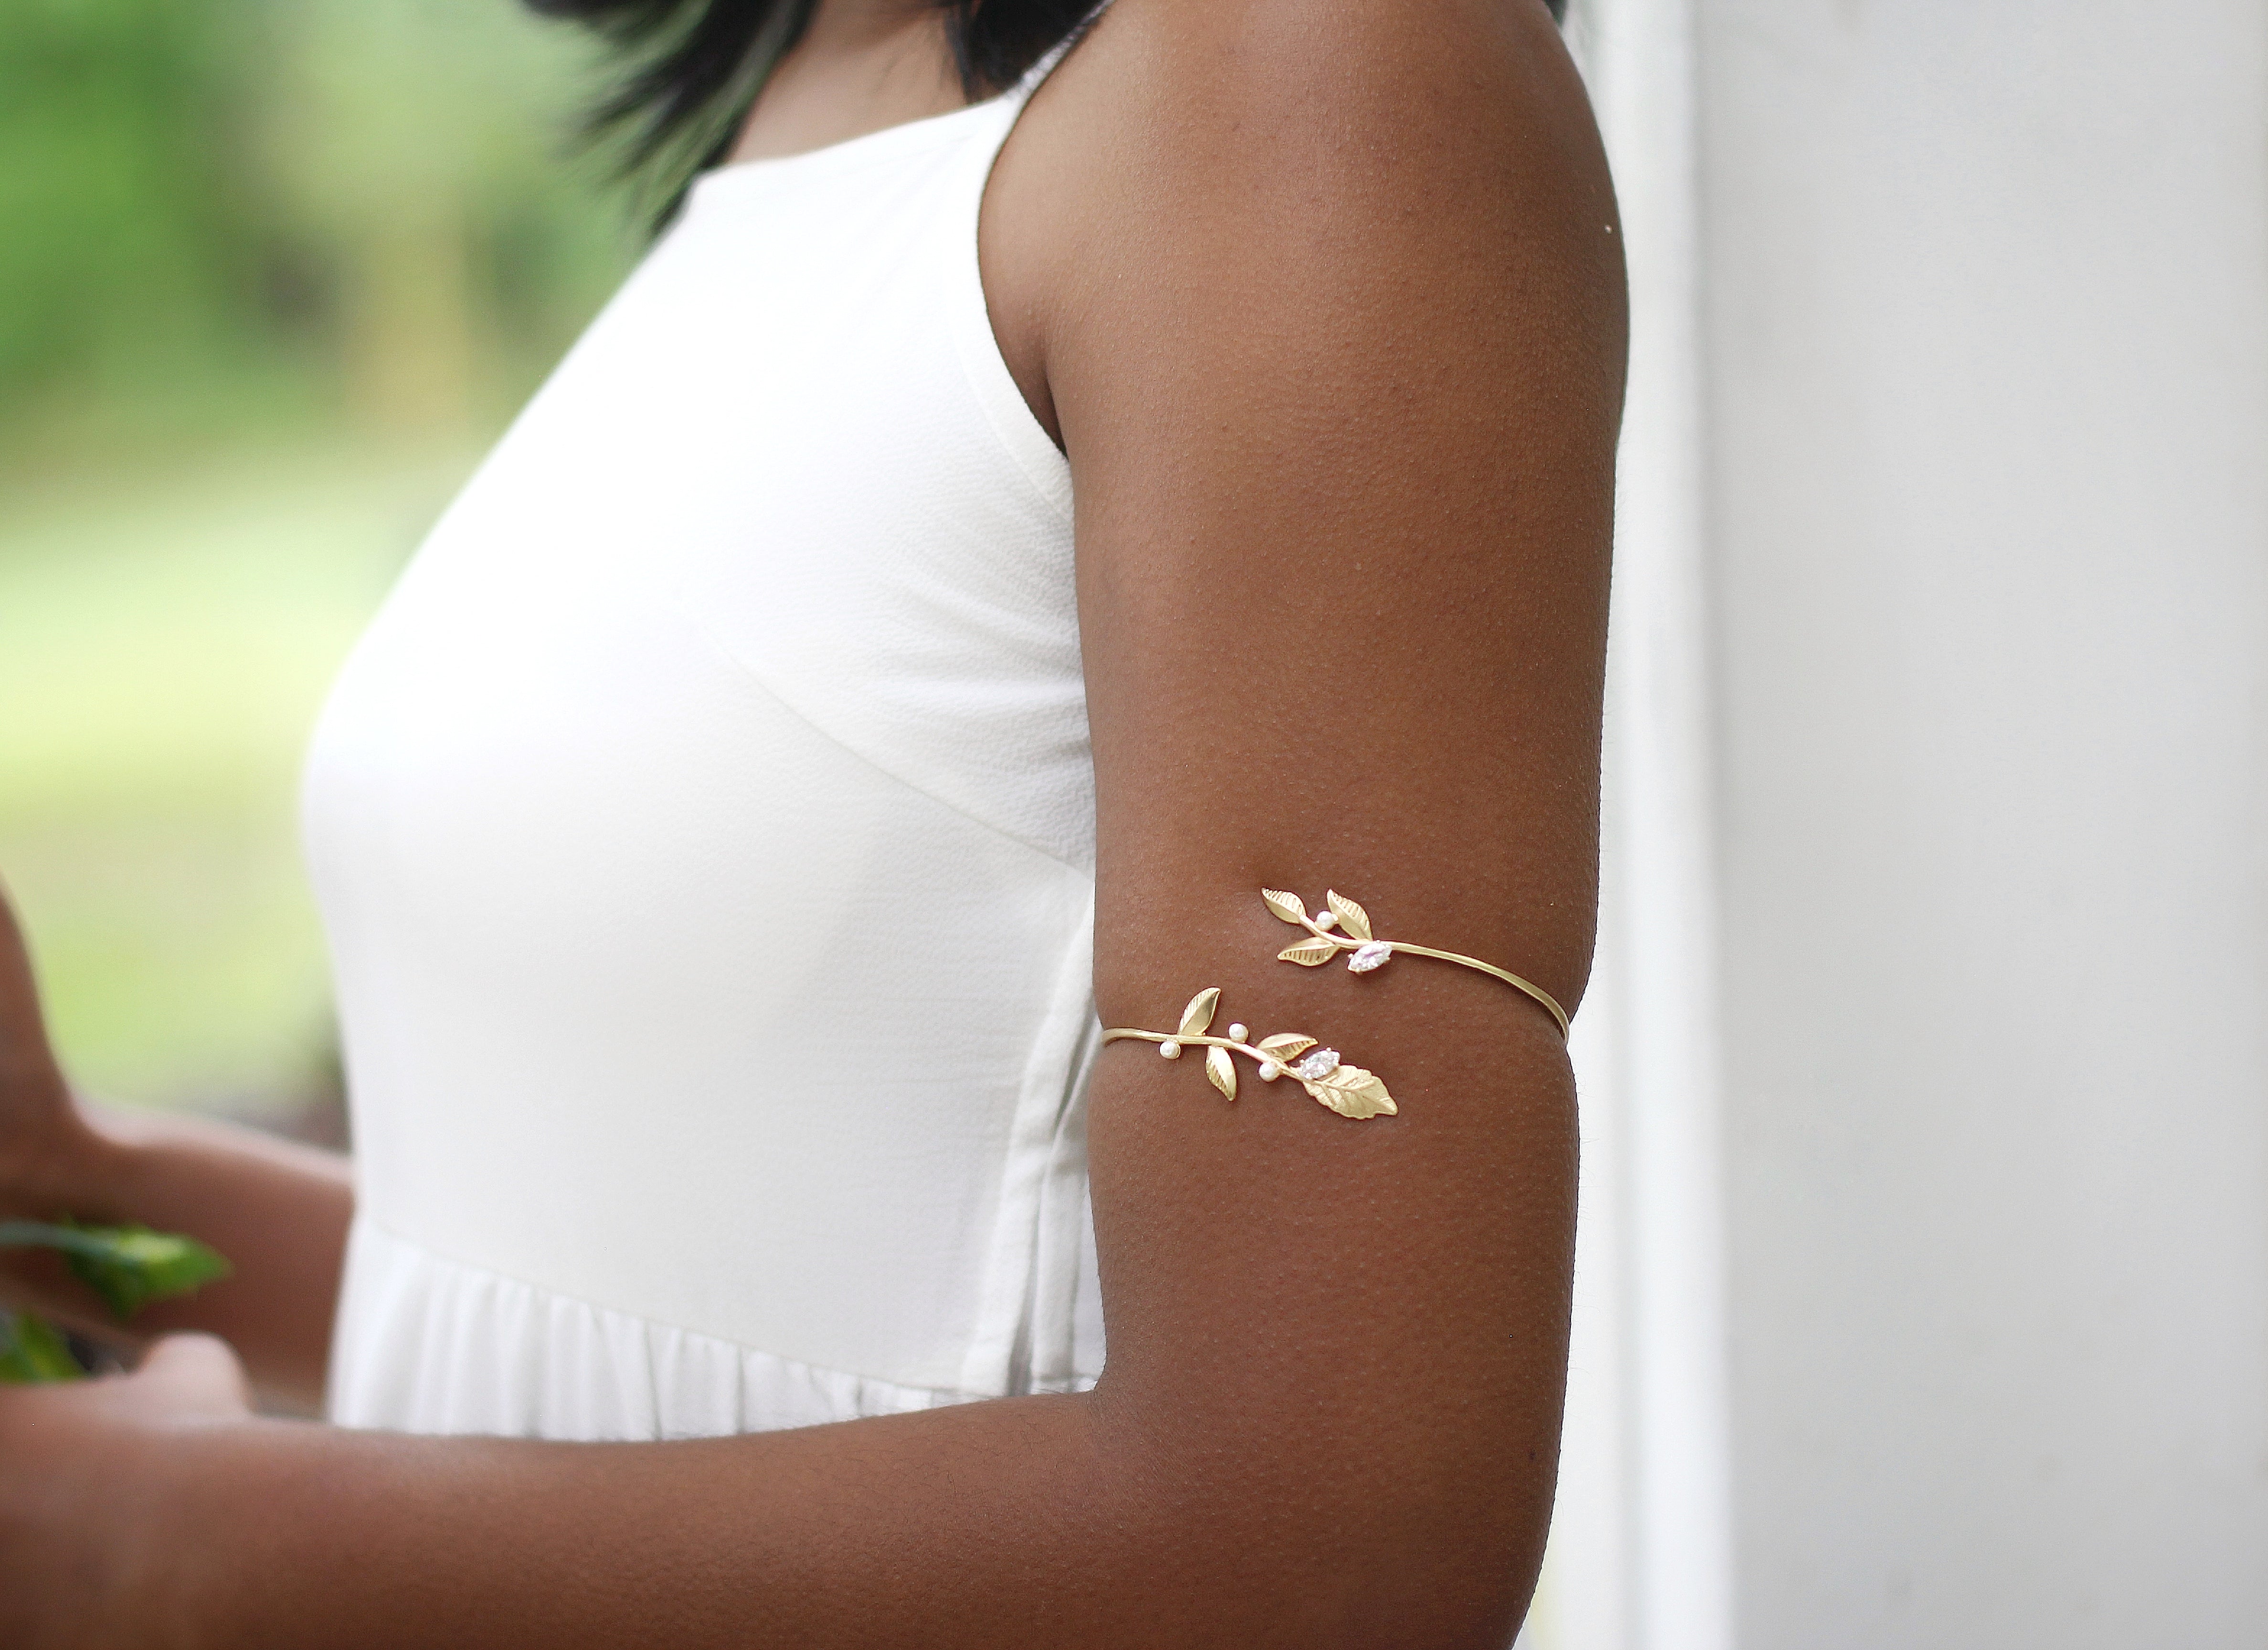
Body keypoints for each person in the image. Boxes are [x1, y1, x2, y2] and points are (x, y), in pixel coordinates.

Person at [0, 0, 1624, 1641]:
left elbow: (1336, 1550)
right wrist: (72, 1188)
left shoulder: (1307, 71)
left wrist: (174, 1543)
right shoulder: (817, 85)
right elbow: (648, 1308)